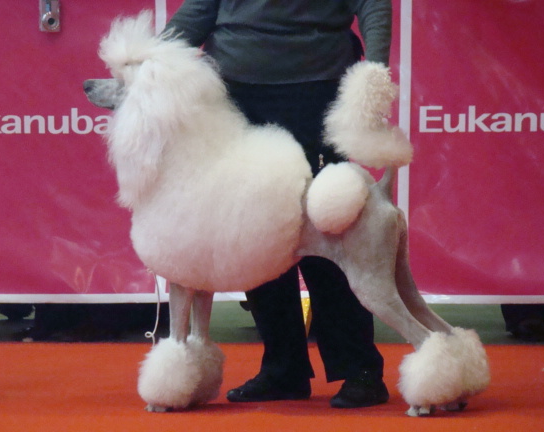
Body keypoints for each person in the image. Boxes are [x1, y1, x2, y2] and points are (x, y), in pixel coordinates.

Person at [165, 0, 392, 408]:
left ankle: (359, 368)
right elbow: (200, 9)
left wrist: (374, 72)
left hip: (318, 89)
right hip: (233, 94)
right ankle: (283, 370)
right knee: (256, 231)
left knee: (330, 226)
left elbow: (372, 4)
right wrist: (147, 64)